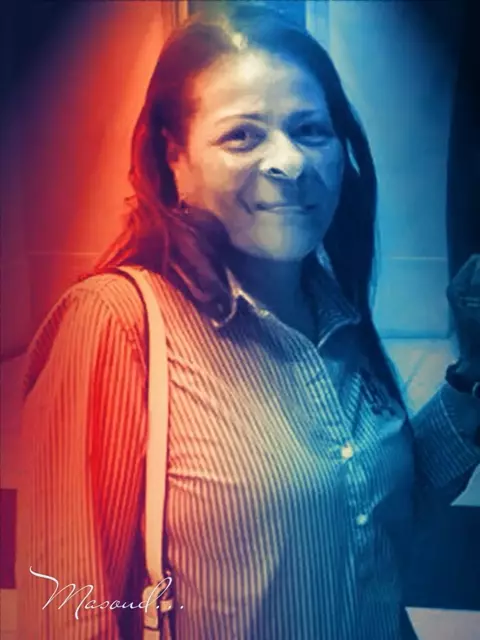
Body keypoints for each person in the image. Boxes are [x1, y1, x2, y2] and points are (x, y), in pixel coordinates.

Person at [15, 4, 480, 639]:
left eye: (310, 130)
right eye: (242, 135)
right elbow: (69, 611)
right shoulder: (117, 325)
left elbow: (369, 510)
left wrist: (470, 378)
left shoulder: (335, 314)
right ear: (174, 158)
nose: (290, 162)